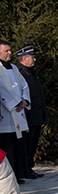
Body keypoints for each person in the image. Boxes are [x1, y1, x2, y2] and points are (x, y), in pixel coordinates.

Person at [0, 41, 29, 183]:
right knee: (7, 149)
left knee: (17, 148)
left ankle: (17, 175)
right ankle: (8, 179)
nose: (10, 53)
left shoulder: (14, 68)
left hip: (18, 113)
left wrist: (25, 101)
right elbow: (1, 89)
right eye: (6, 51)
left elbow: (24, 85)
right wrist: (16, 102)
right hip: (5, 116)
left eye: (10, 50)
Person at [15, 47, 47, 178]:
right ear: (24, 58)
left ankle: (29, 167)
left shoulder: (32, 73)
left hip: (37, 116)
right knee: (26, 145)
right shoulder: (20, 74)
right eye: (32, 56)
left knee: (33, 145)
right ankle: (25, 170)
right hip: (27, 117)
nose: (34, 59)